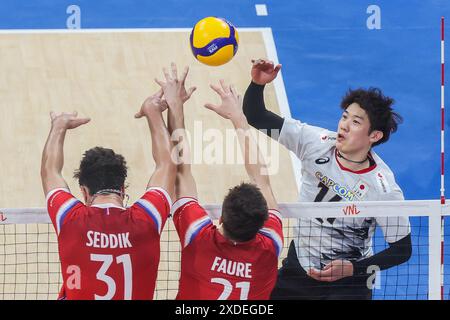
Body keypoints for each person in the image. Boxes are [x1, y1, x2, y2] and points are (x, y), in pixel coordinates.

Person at [242, 58, 412, 300]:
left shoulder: (382, 187)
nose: (343, 126)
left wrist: (354, 268)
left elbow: (402, 250)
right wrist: (258, 84)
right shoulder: (315, 143)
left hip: (348, 284)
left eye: (355, 122)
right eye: (344, 117)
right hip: (298, 269)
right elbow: (256, 116)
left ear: (374, 135)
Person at [157, 63, 283, 300]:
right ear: (262, 223)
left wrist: (175, 105)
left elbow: (180, 172)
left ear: (221, 217)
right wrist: (239, 120)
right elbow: (261, 179)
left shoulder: (198, 236)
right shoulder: (270, 246)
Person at [40, 89, 176, 300]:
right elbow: (167, 164)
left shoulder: (69, 219)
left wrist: (58, 126)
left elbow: (49, 170)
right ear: (122, 189)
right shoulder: (147, 219)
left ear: (84, 192)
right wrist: (153, 112)